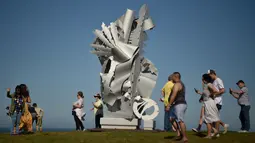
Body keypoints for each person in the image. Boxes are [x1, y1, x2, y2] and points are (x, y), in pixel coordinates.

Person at [194, 74, 220, 138]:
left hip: (209, 102)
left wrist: (211, 94)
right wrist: (199, 92)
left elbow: (216, 91)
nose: (202, 80)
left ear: (205, 79)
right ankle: (214, 131)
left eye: (202, 79)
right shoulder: (206, 86)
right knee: (208, 119)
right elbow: (206, 94)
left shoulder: (209, 84)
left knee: (208, 119)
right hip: (207, 102)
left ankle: (209, 135)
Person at [166, 72, 188, 143]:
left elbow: (173, 95)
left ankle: (184, 138)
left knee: (180, 121)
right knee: (171, 118)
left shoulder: (177, 84)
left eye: (172, 77)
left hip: (180, 104)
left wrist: (169, 105)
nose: (171, 78)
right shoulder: (180, 84)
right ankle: (180, 134)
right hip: (176, 104)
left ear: (175, 77)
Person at [208, 70, 229, 134]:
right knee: (213, 118)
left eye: (209, 75)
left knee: (215, 118)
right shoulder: (213, 81)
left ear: (212, 74)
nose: (209, 77)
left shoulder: (218, 80)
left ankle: (216, 132)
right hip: (213, 101)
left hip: (218, 101)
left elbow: (223, 90)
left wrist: (215, 94)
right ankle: (217, 130)